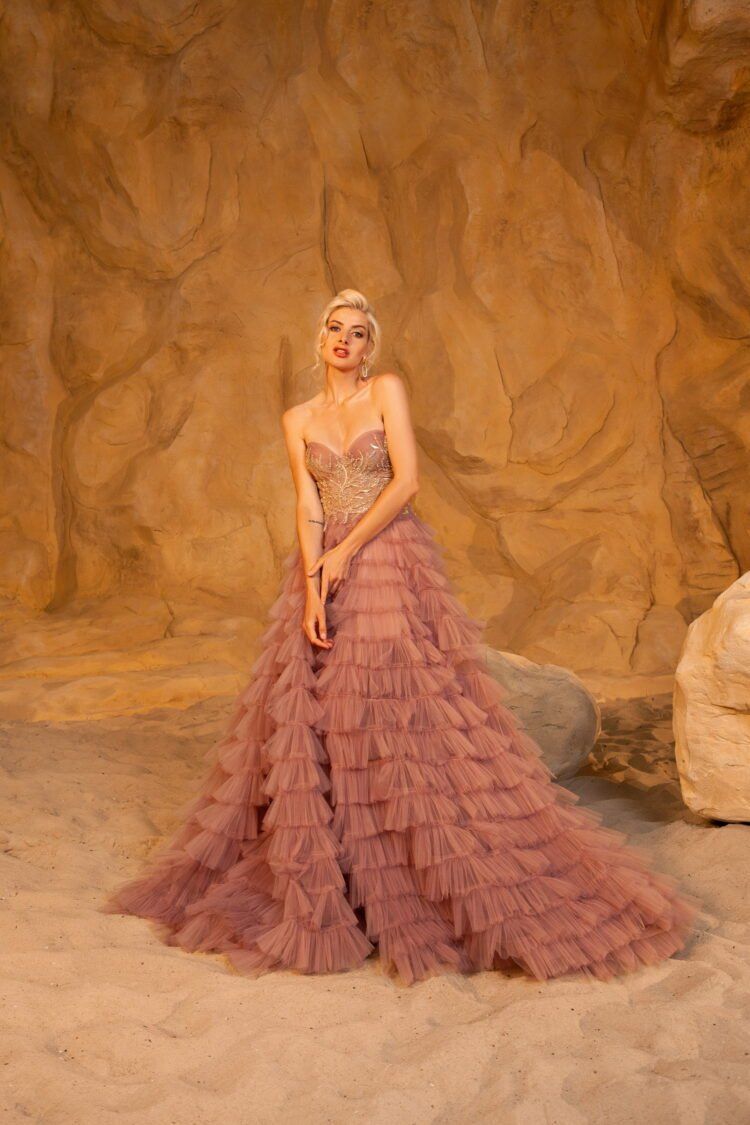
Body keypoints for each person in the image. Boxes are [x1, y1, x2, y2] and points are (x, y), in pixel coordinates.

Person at [102, 288, 702, 984]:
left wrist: (347, 551)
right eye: (334, 328)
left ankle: (407, 875)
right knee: (317, 714)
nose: (343, 340)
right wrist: (312, 583)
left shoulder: (385, 389)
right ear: (318, 337)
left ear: (370, 347)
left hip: (385, 556)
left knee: (387, 707)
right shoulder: (297, 417)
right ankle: (349, 877)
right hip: (322, 563)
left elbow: (407, 482)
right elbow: (306, 502)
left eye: (357, 332)